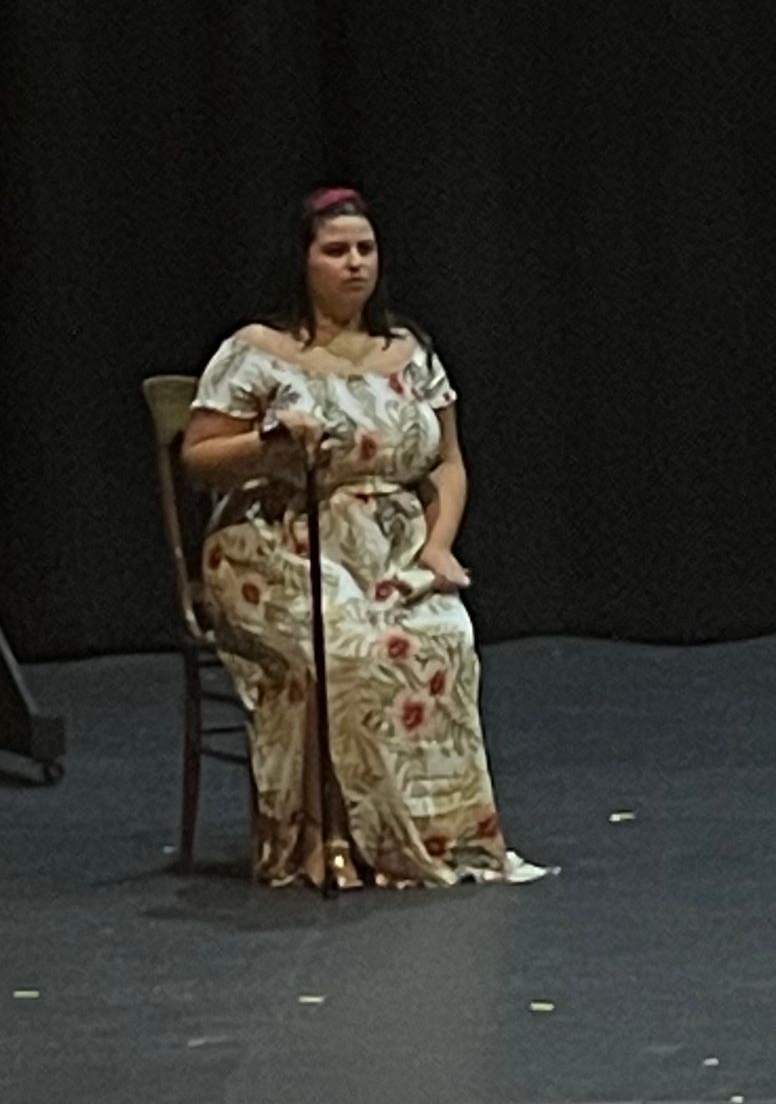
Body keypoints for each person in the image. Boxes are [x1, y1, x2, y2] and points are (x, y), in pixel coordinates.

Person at [182, 187, 541, 888]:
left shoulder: (408, 352)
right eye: (336, 250)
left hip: (390, 544)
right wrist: (267, 444)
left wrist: (438, 544)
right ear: (303, 261)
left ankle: (424, 835)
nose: (354, 264)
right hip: (277, 544)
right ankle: (328, 833)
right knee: (346, 644)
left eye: (365, 250)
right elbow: (198, 460)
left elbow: (448, 461)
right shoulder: (258, 351)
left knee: (444, 635)